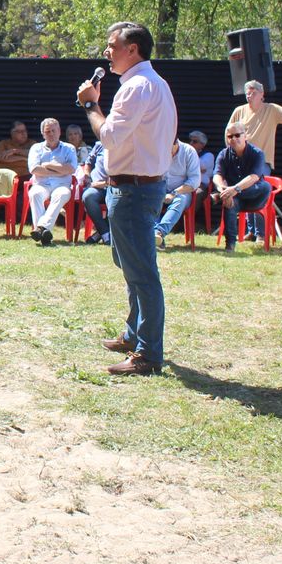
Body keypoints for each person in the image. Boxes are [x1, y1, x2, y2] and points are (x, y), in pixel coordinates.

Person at [77, 22, 176, 376]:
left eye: (112, 45)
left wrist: (90, 105)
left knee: (142, 273)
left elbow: (110, 137)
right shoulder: (157, 84)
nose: (107, 51)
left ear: (132, 49)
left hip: (133, 190)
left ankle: (148, 354)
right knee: (130, 263)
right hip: (142, 186)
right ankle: (135, 335)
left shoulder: (135, 87)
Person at [226, 80, 282, 239]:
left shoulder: (271, 110)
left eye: (253, 92)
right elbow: (228, 133)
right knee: (244, 190)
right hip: (241, 161)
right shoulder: (239, 111)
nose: (249, 95)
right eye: (247, 92)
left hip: (262, 161)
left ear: (262, 94)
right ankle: (251, 231)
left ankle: (261, 234)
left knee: (256, 190)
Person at [211, 126, 270, 252]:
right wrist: (223, 190)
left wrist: (234, 190)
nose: (233, 139)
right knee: (229, 204)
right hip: (235, 199)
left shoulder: (257, 153)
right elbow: (217, 176)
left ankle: (220, 197)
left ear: (245, 136)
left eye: (237, 135)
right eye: (230, 136)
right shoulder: (223, 154)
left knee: (265, 186)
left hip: (255, 197)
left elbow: (254, 177)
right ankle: (230, 245)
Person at [26, 118, 78, 246]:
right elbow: (34, 169)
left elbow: (71, 168)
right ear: (43, 134)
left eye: (54, 131)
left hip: (62, 185)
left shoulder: (69, 148)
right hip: (41, 184)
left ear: (60, 131)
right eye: (48, 131)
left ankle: (40, 229)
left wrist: (49, 165)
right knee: (35, 194)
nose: (51, 134)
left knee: (60, 195)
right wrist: (60, 170)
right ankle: (44, 232)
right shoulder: (36, 148)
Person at [154, 138, 201, 247]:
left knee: (180, 200)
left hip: (182, 191)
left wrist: (174, 193)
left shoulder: (189, 151)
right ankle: (155, 235)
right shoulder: (158, 150)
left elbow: (194, 181)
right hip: (160, 190)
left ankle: (159, 232)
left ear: (175, 143)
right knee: (150, 197)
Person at [76, 142, 109, 245]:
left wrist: (101, 184)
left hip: (114, 187)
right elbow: (88, 163)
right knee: (88, 196)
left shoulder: (126, 145)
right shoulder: (100, 144)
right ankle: (105, 234)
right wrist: (87, 176)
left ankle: (100, 235)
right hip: (95, 187)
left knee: (119, 201)